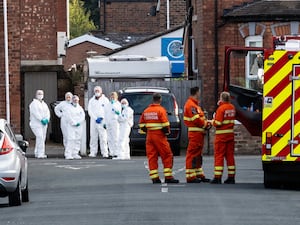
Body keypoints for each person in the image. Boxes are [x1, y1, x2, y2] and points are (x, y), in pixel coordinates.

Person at [139, 93, 179, 184]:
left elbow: (141, 125)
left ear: (153, 99)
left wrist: (148, 131)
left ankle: (155, 178)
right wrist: (167, 132)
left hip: (149, 136)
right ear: (160, 100)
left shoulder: (146, 110)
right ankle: (168, 177)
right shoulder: (161, 110)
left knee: (152, 156)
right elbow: (165, 125)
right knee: (167, 155)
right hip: (159, 136)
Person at [183, 87, 211, 183]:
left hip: (199, 134)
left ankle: (198, 174)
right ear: (196, 93)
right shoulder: (191, 105)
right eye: (199, 92)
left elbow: (200, 118)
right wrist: (206, 124)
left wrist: (206, 123)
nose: (200, 94)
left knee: (198, 155)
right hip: (195, 134)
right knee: (192, 154)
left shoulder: (195, 106)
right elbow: (196, 120)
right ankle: (190, 176)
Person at [210, 92, 236, 184]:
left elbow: (218, 123)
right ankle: (231, 177)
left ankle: (217, 177)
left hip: (221, 137)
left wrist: (212, 121)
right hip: (230, 136)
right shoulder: (232, 107)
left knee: (219, 156)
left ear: (222, 98)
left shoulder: (221, 109)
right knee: (230, 156)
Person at [88, 86, 110, 158]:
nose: (97, 92)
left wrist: (102, 117)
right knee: (93, 137)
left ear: (101, 91)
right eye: (96, 91)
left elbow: (107, 110)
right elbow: (90, 110)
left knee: (103, 137)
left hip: (102, 121)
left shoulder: (105, 100)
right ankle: (93, 152)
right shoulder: (91, 100)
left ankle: (105, 152)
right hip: (94, 121)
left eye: (98, 90)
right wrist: (95, 118)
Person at [29, 89, 50, 159]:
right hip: (36, 123)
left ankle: (38, 152)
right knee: (40, 137)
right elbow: (35, 113)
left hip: (44, 124)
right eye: (39, 94)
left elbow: (48, 112)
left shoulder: (44, 104)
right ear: (36, 95)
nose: (40, 95)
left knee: (42, 138)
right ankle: (40, 153)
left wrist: (47, 119)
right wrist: (41, 119)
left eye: (41, 94)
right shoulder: (33, 104)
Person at [64, 95, 86, 160]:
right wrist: (74, 123)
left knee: (78, 139)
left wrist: (79, 122)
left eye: (76, 100)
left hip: (79, 126)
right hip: (71, 126)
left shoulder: (80, 108)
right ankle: (68, 154)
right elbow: (68, 117)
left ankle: (75, 153)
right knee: (71, 139)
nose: (75, 101)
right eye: (74, 100)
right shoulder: (68, 108)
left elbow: (83, 116)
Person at [105, 92, 122, 158]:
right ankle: (111, 152)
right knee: (109, 138)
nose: (112, 97)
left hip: (115, 122)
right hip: (108, 122)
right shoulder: (107, 104)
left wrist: (114, 106)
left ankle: (116, 152)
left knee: (115, 137)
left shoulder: (118, 104)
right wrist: (105, 122)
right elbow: (105, 113)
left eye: (114, 96)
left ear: (116, 97)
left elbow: (118, 112)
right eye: (111, 96)